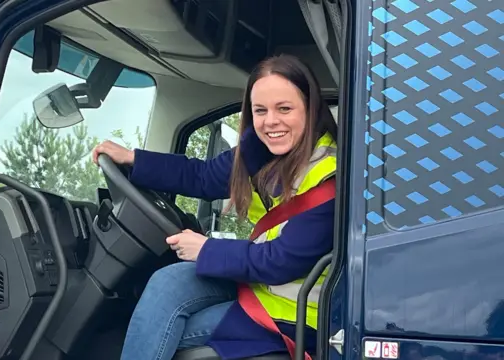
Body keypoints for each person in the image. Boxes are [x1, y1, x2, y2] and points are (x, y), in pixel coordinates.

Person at [92, 54, 338, 360]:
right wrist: (134, 159)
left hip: (293, 313)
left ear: (311, 109)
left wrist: (206, 249)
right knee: (168, 281)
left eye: (285, 109)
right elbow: (203, 176)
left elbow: (281, 261)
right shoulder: (262, 147)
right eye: (260, 111)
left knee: (165, 328)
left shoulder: (329, 175)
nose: (271, 121)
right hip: (260, 285)